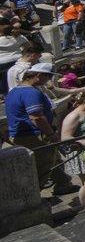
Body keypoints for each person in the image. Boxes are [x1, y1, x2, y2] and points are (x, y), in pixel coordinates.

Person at [5, 64, 59, 193]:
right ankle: (32, 200)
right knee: (41, 170)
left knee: (49, 163)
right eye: (49, 76)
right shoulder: (31, 93)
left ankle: (62, 184)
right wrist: (51, 134)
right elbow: (36, 117)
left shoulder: (14, 91)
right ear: (39, 75)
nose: (49, 80)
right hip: (34, 136)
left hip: (23, 136)